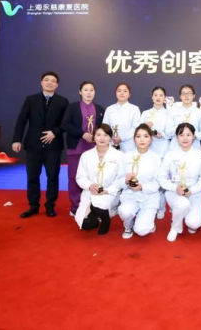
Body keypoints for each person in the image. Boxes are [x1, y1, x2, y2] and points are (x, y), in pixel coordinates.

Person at [12, 71, 69, 218]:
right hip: (33, 145)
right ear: (41, 82)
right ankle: (33, 206)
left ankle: (50, 206)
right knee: (32, 176)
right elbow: (21, 120)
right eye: (46, 80)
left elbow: (66, 123)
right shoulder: (31, 100)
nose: (50, 83)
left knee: (53, 176)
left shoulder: (63, 101)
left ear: (57, 85)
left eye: (53, 81)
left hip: (53, 145)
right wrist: (16, 139)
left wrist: (54, 132)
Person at [61, 81, 105, 217]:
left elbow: (102, 128)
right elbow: (65, 124)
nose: (89, 93)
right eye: (86, 90)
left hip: (94, 148)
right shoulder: (72, 107)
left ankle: (93, 206)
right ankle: (75, 206)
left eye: (91, 90)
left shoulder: (100, 109)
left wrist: (97, 136)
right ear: (80, 92)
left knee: (94, 177)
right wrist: (82, 134)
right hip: (76, 147)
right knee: (74, 177)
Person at [157, 123, 201, 242]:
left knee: (193, 224)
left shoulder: (200, 155)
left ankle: (185, 216)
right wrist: (175, 188)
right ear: (176, 137)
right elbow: (161, 177)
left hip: (193, 193)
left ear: (194, 136)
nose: (185, 138)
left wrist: (192, 190)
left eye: (188, 135)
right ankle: (175, 227)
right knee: (182, 204)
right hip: (175, 192)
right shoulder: (170, 155)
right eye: (181, 135)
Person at [74, 124, 126, 235]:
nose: (102, 138)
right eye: (98, 135)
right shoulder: (86, 155)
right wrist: (90, 186)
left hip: (109, 192)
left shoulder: (119, 155)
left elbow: (121, 178)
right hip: (91, 191)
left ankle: (105, 217)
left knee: (102, 205)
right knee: (85, 224)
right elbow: (80, 177)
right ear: (94, 137)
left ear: (110, 138)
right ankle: (97, 214)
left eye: (106, 135)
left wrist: (108, 190)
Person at [118, 124, 161, 239]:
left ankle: (148, 219)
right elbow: (118, 181)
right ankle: (128, 226)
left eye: (146, 136)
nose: (142, 140)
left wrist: (142, 187)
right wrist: (126, 181)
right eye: (138, 136)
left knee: (141, 230)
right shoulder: (126, 156)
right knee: (125, 211)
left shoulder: (156, 158)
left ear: (151, 139)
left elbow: (158, 183)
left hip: (149, 197)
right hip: (130, 195)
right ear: (134, 139)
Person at [140, 86, 170, 220]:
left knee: (161, 180)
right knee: (148, 178)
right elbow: (138, 131)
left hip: (162, 149)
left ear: (165, 98)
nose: (158, 98)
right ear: (152, 97)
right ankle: (147, 206)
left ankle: (161, 207)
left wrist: (161, 134)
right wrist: (146, 127)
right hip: (147, 150)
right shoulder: (145, 113)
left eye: (161, 95)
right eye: (156, 95)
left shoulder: (168, 114)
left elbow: (171, 132)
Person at [103, 83, 141, 153]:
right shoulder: (109, 109)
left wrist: (122, 138)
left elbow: (135, 127)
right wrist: (112, 137)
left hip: (129, 145)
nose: (122, 93)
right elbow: (105, 126)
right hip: (112, 143)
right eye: (119, 91)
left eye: (125, 91)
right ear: (116, 93)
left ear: (129, 94)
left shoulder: (134, 109)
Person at [165, 85, 201, 152]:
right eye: (183, 93)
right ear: (180, 96)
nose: (186, 96)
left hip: (194, 147)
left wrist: (193, 134)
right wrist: (179, 128)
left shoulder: (199, 112)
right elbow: (168, 132)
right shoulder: (173, 111)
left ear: (194, 96)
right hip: (176, 147)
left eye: (189, 93)